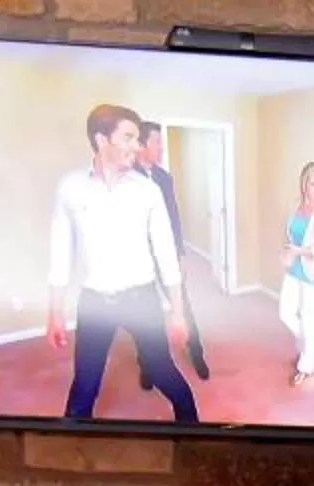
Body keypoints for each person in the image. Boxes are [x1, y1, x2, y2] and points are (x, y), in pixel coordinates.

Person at [47, 102, 199, 424]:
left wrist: (178, 313)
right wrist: (55, 312)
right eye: (129, 137)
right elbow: (60, 253)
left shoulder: (148, 190)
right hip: (94, 302)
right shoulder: (70, 188)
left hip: (141, 299)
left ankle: (193, 429)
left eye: (139, 138)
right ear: (102, 140)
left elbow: (166, 254)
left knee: (162, 371)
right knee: (85, 385)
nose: (138, 146)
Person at [133, 122, 209, 386]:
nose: (162, 149)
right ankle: (147, 364)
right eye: (157, 143)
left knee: (183, 306)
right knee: (145, 314)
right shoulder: (125, 177)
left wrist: (181, 253)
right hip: (139, 259)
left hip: (167, 256)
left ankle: (196, 352)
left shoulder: (165, 178)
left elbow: (174, 217)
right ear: (141, 145)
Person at [278, 161, 314, 389]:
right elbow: (292, 237)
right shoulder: (295, 205)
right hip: (294, 270)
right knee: (285, 313)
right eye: (312, 184)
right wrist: (287, 253)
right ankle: (306, 348)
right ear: (304, 183)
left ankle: (305, 365)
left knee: (308, 319)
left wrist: (300, 252)